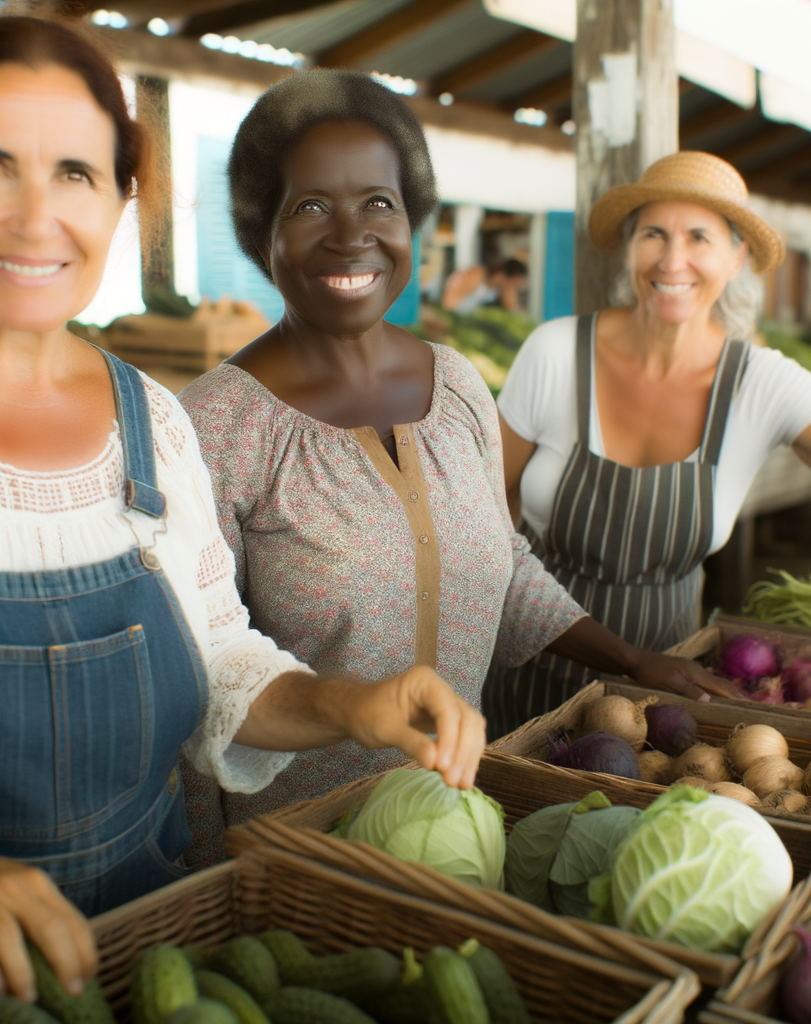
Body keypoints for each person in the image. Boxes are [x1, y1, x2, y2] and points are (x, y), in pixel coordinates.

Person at [0, 16, 485, 1001]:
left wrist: (354, 703)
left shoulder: (155, 428)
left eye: (76, 175)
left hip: (155, 951)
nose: (33, 217)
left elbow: (221, 662)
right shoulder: (227, 414)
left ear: (125, 198)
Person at [179, 71, 732, 857]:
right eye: (309, 206)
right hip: (295, 849)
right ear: (257, 228)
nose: (350, 234)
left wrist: (630, 658)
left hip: (456, 822)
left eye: (380, 202)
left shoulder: (458, 383)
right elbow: (200, 670)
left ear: (414, 221)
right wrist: (209, 868)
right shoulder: (215, 425)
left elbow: (502, 557)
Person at [486, 150, 811, 735]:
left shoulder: (758, 384)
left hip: (666, 691)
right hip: (532, 662)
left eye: (700, 237)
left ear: (737, 256)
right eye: (653, 234)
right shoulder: (555, 353)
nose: (673, 259)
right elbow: (486, 506)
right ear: (628, 246)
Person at [442, 258, 528, 314]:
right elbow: (448, 303)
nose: (514, 289)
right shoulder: (476, 275)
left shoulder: (497, 289)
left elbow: (513, 313)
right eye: (515, 284)